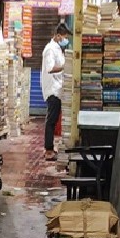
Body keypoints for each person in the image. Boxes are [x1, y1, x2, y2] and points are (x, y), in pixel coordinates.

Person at [41, 22, 71, 161]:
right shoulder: (50, 49)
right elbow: (50, 68)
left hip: (58, 87)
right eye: (64, 37)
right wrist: (66, 66)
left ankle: (50, 148)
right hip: (52, 89)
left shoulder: (57, 48)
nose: (65, 39)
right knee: (51, 120)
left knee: (53, 119)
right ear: (58, 35)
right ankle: (48, 150)